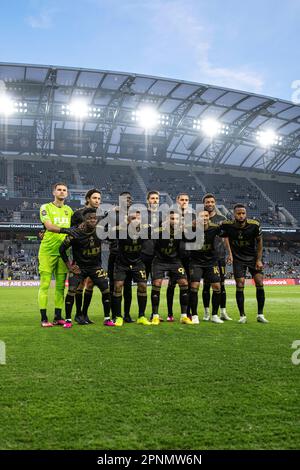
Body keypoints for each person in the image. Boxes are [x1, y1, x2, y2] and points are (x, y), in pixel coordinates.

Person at [59, 208, 114, 328]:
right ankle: (68, 320)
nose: (93, 220)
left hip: (95, 267)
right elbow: (61, 249)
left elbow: (113, 238)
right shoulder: (75, 234)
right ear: (84, 219)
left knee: (106, 289)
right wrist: (69, 266)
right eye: (90, 218)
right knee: (72, 290)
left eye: (95, 218)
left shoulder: (100, 231)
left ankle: (107, 318)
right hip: (79, 267)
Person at [220, 204, 269, 324]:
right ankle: (242, 315)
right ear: (234, 214)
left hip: (252, 258)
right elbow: (224, 238)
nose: (241, 216)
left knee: (259, 281)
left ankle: (260, 314)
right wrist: (230, 254)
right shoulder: (227, 225)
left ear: (246, 214)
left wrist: (258, 259)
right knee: (240, 284)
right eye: (238, 213)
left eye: (243, 213)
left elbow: (260, 243)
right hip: (238, 259)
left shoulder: (254, 225)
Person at [38, 182, 73, 327]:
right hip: (47, 252)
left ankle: (58, 316)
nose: (62, 192)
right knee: (45, 285)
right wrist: (69, 231)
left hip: (63, 253)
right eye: (59, 190)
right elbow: (49, 227)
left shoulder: (69, 210)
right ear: (54, 192)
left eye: (64, 190)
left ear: (67, 193)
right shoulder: (45, 208)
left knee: (60, 287)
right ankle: (44, 318)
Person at [151, 211, 192, 325]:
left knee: (184, 282)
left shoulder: (182, 232)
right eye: (172, 218)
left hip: (175, 261)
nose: (174, 221)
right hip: (159, 260)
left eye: (177, 219)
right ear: (167, 220)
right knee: (157, 283)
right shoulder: (158, 231)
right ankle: (155, 316)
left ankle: (184, 316)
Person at [110, 211, 150, 326]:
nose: (136, 220)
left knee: (143, 286)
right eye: (133, 218)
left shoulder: (145, 230)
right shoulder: (121, 231)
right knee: (118, 287)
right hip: (121, 263)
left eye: (138, 218)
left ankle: (141, 316)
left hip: (138, 263)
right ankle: (118, 317)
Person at [189, 210, 229, 324]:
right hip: (196, 262)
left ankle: (214, 315)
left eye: (206, 216)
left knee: (217, 287)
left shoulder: (215, 228)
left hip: (211, 261)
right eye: (201, 216)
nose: (204, 218)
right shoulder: (191, 229)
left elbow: (226, 233)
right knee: (194, 286)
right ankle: (195, 315)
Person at [71, 188, 102, 324]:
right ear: (88, 199)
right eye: (95, 198)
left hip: (95, 255)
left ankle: (85, 314)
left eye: (99, 199)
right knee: (80, 284)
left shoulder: (100, 215)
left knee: (90, 284)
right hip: (80, 255)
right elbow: (72, 233)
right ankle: (78, 314)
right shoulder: (78, 214)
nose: (97, 201)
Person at [202, 193, 232, 321]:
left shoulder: (222, 218)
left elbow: (226, 238)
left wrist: (229, 253)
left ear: (215, 203)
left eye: (211, 202)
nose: (209, 204)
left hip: (219, 256)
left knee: (221, 285)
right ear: (204, 204)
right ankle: (207, 312)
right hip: (205, 257)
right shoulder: (200, 217)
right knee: (206, 285)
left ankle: (223, 312)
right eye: (207, 202)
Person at [107, 192, 134, 322]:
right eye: (125, 198)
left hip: (130, 255)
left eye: (129, 198)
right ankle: (115, 315)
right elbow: (104, 233)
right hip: (116, 253)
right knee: (114, 286)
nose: (128, 200)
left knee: (128, 286)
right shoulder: (113, 214)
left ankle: (127, 315)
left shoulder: (135, 215)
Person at [166, 193, 192, 321]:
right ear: (177, 201)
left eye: (186, 200)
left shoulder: (192, 216)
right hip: (174, 256)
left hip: (189, 256)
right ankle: (170, 314)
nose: (184, 202)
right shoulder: (171, 214)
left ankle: (188, 313)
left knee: (188, 285)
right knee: (171, 284)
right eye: (182, 200)